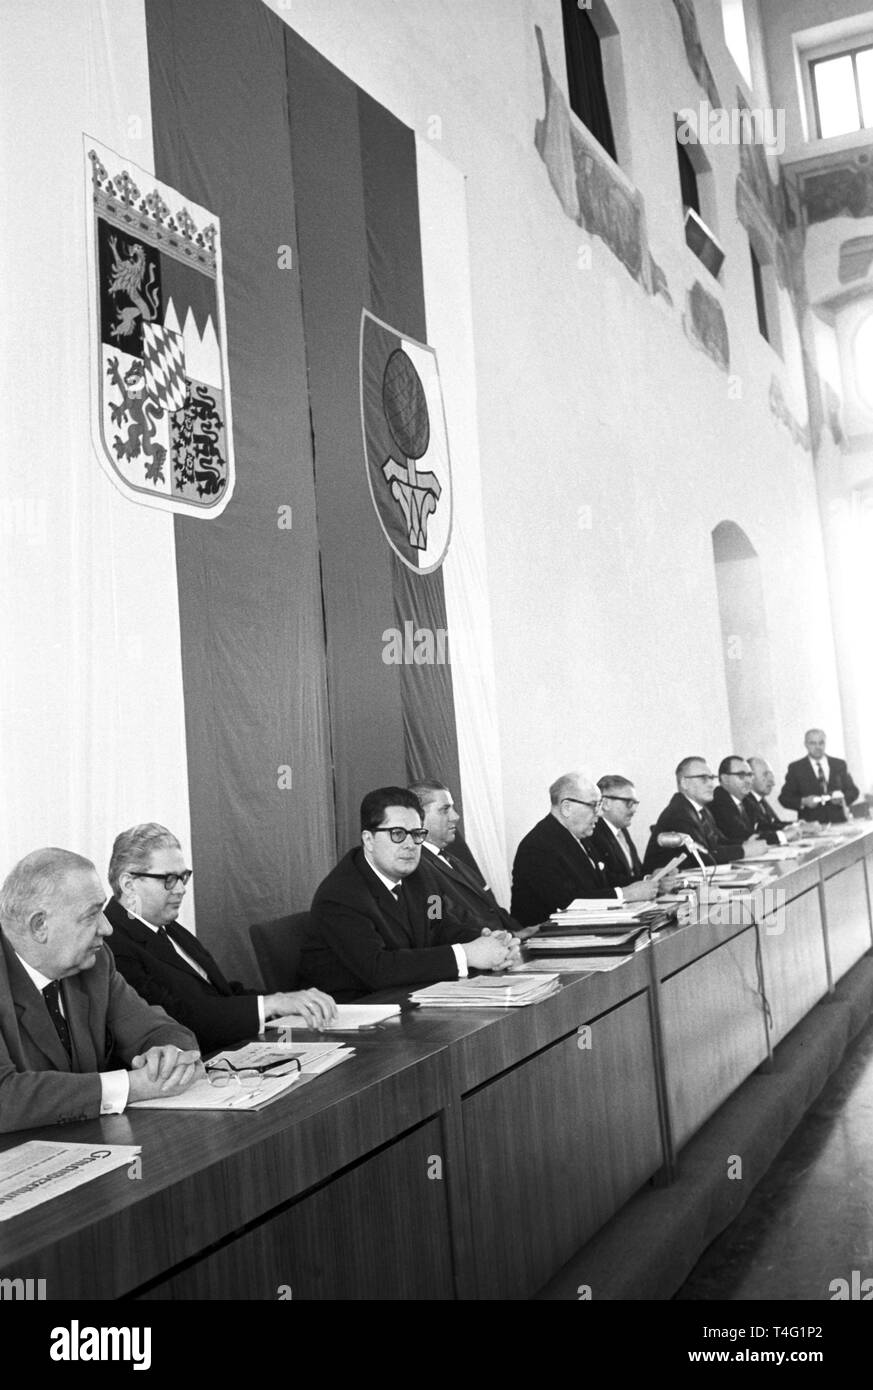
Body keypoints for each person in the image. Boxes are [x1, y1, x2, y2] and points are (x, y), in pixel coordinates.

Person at [0, 848, 200, 1133]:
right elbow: (5, 1099)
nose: (107, 928)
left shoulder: (95, 963)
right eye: (92, 914)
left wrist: (168, 1056)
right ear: (40, 925)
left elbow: (157, 1029)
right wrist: (131, 1087)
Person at [105, 824, 337, 1051]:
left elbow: (222, 993)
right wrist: (271, 1004)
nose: (181, 889)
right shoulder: (113, 945)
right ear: (128, 884)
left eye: (182, 877)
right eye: (168, 879)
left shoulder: (166, 925)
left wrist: (286, 1002)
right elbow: (176, 1020)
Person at [299, 788, 516, 1001]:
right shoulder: (340, 895)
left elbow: (440, 924)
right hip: (357, 1012)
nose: (410, 845)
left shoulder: (421, 875)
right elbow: (378, 969)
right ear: (369, 840)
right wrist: (467, 954)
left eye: (416, 834)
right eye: (398, 834)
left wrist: (487, 942)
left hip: (409, 997)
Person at [408, 779, 524, 936]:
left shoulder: (454, 860)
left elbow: (491, 907)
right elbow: (441, 920)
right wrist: (509, 935)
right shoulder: (416, 866)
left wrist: (521, 932)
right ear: (418, 817)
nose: (455, 816)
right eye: (444, 809)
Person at [510, 772, 617, 927]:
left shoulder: (580, 838)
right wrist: (622, 893)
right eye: (594, 805)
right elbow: (567, 902)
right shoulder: (538, 846)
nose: (599, 813)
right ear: (566, 807)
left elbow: (602, 882)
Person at [643, 757, 768, 871]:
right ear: (684, 783)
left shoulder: (701, 809)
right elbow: (704, 857)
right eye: (703, 779)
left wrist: (745, 843)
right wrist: (744, 850)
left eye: (711, 778)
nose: (711, 784)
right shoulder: (678, 813)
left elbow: (719, 842)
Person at [590, 775, 668, 900]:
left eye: (635, 803)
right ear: (605, 803)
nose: (634, 810)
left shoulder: (622, 829)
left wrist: (657, 876)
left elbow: (636, 871)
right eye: (629, 803)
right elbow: (607, 880)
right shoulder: (593, 833)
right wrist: (646, 879)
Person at [780, 729, 860, 825]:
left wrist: (842, 800)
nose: (818, 747)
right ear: (806, 744)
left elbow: (853, 791)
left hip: (839, 822)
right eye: (813, 743)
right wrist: (803, 801)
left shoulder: (839, 764)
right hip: (812, 826)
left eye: (821, 743)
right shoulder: (796, 768)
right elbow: (784, 798)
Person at [746, 757, 804, 843]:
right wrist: (795, 828)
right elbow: (762, 828)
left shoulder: (760, 800)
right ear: (750, 777)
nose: (773, 782)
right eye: (765, 774)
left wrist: (798, 825)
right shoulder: (746, 801)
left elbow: (774, 824)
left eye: (771, 775)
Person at [711, 757, 758, 843]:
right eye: (741, 775)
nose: (748, 781)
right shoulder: (717, 801)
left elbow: (761, 826)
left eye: (750, 775)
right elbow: (741, 834)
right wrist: (780, 836)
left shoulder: (748, 801)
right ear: (725, 779)